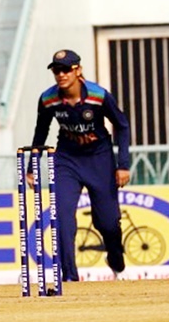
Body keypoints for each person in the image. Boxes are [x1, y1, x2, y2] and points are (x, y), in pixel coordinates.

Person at [27, 49, 131, 282]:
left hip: (100, 159)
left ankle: (115, 258)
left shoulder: (98, 95)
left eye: (66, 70)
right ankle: (70, 278)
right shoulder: (48, 99)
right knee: (62, 216)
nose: (61, 75)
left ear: (78, 71)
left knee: (107, 222)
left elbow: (122, 125)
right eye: (56, 70)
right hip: (67, 159)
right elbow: (41, 131)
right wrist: (32, 168)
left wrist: (123, 165)